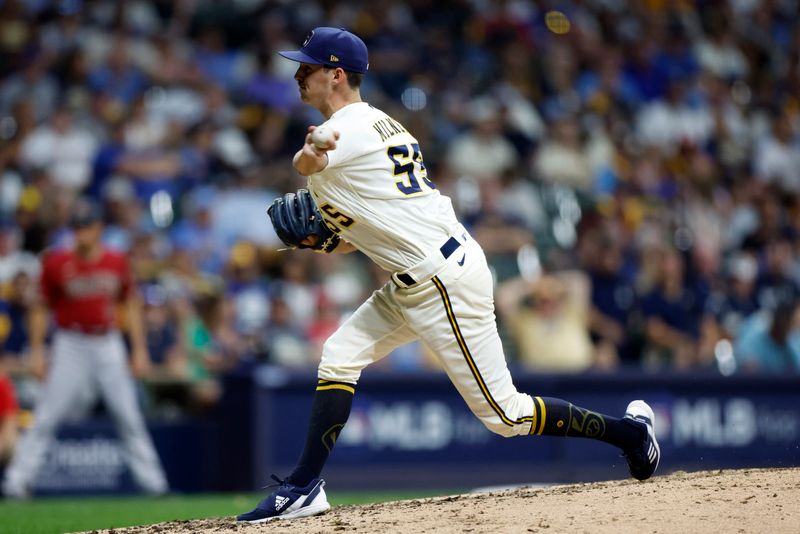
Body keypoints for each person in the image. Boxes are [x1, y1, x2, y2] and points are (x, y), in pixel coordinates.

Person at [238, 27, 660, 523]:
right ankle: (304, 486)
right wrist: (333, 234)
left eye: (307, 66)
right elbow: (378, 220)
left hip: (441, 282)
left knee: (507, 416)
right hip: (420, 272)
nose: (297, 73)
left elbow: (315, 155)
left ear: (336, 75)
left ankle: (631, 434)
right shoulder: (384, 126)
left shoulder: (345, 129)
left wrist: (312, 153)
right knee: (340, 352)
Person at [1, 201, 168, 498]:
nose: (80, 234)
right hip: (70, 343)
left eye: (86, 227)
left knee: (128, 415)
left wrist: (139, 349)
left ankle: (154, 485)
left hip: (108, 342)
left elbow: (130, 303)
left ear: (99, 228)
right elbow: (40, 308)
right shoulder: (56, 261)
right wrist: (38, 351)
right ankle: (17, 482)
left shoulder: (116, 261)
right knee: (47, 415)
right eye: (76, 228)